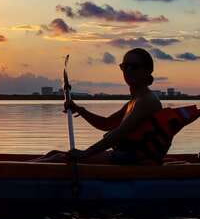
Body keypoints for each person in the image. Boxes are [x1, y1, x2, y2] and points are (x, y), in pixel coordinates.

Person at [35, 47, 163, 164]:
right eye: (125, 66)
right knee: (54, 153)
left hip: (134, 159)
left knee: (58, 159)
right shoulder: (135, 100)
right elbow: (106, 124)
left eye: (134, 66)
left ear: (148, 70)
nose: (128, 70)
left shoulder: (147, 101)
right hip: (123, 155)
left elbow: (117, 135)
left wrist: (85, 154)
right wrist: (80, 110)